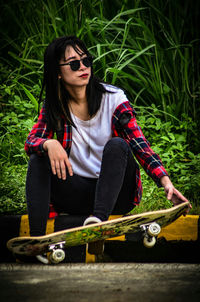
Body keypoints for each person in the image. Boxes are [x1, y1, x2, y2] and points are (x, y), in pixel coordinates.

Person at [25, 36, 190, 246]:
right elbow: (31, 141)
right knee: (38, 159)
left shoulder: (114, 99)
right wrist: (49, 144)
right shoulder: (55, 107)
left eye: (86, 61)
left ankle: (98, 226)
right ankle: (36, 241)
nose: (83, 67)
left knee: (118, 145)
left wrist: (166, 182)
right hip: (76, 193)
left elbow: (140, 145)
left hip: (116, 194)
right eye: (74, 64)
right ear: (58, 72)